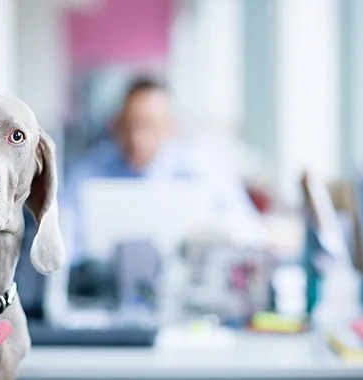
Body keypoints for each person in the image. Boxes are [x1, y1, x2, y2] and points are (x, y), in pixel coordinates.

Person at [61, 76, 262, 262]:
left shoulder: (202, 170)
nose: (136, 138)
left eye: (148, 125)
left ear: (170, 126)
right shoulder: (87, 172)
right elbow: (59, 239)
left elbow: (248, 230)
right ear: (116, 124)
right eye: (130, 125)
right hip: (98, 290)